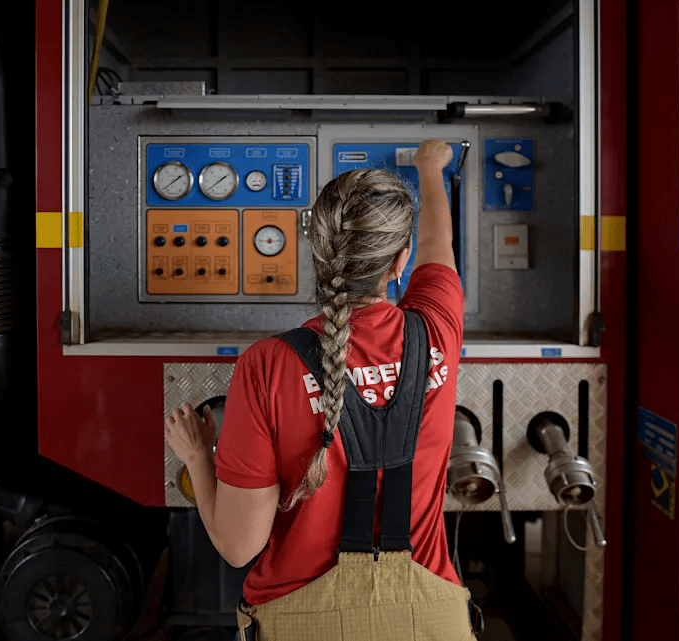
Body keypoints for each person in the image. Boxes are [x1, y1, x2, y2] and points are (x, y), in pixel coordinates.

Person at [165, 139, 477, 640]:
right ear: (400, 263)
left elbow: (238, 547)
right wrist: (430, 168)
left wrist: (199, 456)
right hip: (430, 620)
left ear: (317, 253)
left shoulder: (268, 365)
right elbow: (440, 252)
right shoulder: (437, 332)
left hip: (299, 621)